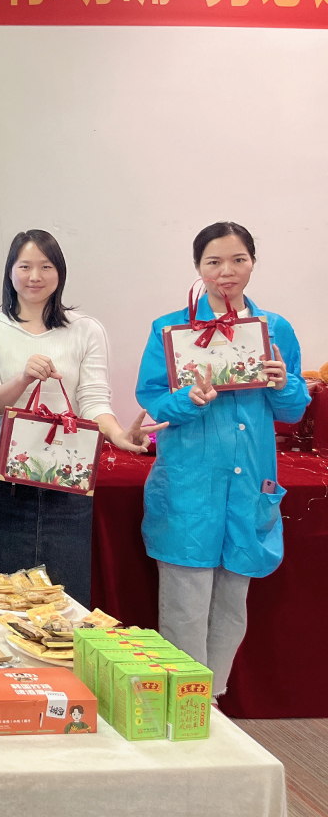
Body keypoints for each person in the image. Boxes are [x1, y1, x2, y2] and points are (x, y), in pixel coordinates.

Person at [135, 222, 308, 695]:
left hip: (249, 485)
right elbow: (153, 400)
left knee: (233, 605)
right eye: (213, 261)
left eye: (238, 260)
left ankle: (210, 704)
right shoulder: (171, 329)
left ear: (252, 263)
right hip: (189, 485)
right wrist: (188, 399)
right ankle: (184, 705)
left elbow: (292, 411)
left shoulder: (275, 329)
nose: (226, 271)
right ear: (198, 267)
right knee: (185, 604)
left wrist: (284, 384)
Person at [0, 229, 163, 608]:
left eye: (46, 266)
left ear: (60, 272)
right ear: (10, 272)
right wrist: (23, 378)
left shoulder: (85, 329)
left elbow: (93, 401)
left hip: (68, 471)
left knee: (65, 599)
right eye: (25, 266)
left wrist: (119, 435)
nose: (34, 276)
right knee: (0, 599)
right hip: (5, 475)